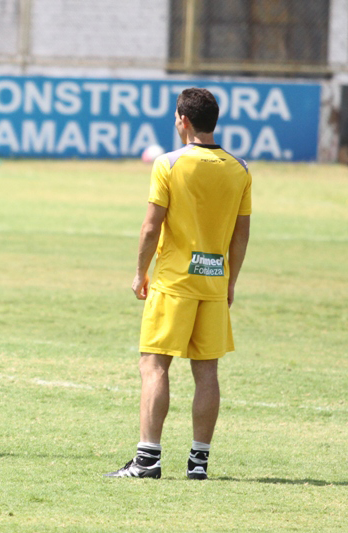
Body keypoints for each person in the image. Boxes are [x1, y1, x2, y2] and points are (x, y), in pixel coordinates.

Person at [106, 88, 251, 479]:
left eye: (175, 116)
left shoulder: (168, 163)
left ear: (184, 121)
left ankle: (147, 460)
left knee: (154, 366)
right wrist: (230, 282)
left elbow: (152, 225)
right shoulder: (239, 168)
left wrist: (140, 272)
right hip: (214, 282)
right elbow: (241, 234)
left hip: (173, 281)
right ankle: (198, 464)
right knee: (207, 373)